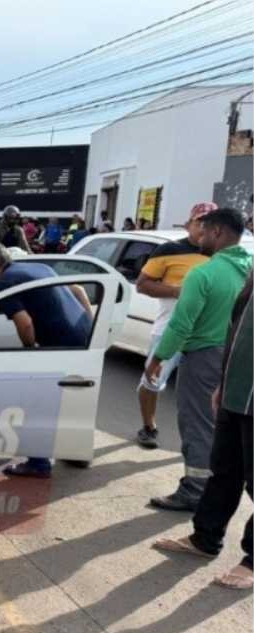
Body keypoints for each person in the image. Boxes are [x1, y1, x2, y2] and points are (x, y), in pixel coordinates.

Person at [146, 207, 253, 511]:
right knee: (225, 429)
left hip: (204, 356)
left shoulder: (203, 273)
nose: (199, 238)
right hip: (238, 359)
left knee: (197, 424)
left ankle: (194, 489)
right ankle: (212, 491)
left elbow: (181, 323)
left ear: (218, 232)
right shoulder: (249, 266)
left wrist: (159, 358)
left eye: (204, 232)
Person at [153, 272, 253, 589]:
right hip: (236, 391)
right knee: (223, 471)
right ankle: (205, 538)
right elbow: (235, 331)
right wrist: (223, 383)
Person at [0, 243, 94, 478]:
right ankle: (75, 453)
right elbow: (78, 290)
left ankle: (38, 463)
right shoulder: (38, 267)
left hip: (58, 346)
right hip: (81, 338)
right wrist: (90, 328)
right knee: (71, 398)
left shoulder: (3, 283)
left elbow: (25, 323)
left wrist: (30, 351)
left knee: (35, 402)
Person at [134, 202, 216, 449]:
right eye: (199, 221)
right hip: (170, 329)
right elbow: (143, 284)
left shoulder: (222, 254)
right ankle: (148, 427)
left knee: (206, 390)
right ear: (189, 223)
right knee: (152, 381)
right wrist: (180, 291)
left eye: (210, 222)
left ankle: (206, 440)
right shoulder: (169, 249)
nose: (204, 227)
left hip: (208, 333)